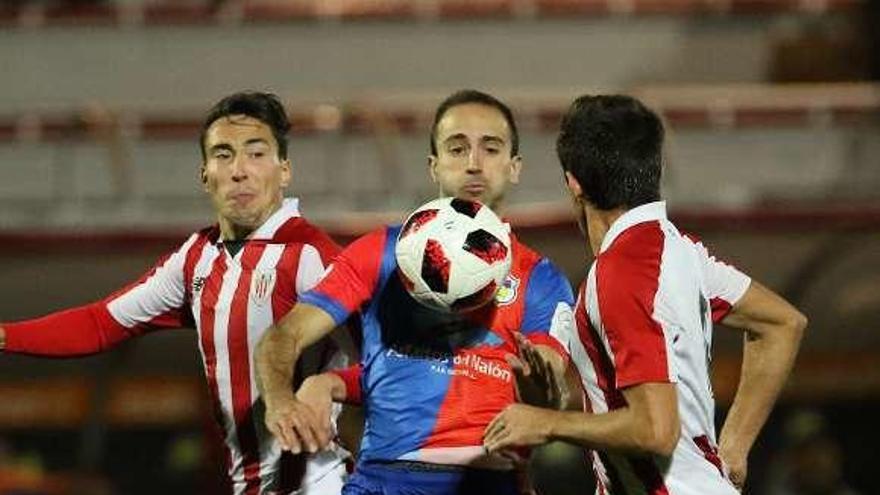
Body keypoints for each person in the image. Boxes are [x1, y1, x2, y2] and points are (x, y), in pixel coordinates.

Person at [0, 91, 355, 495]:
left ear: (284, 170)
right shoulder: (195, 259)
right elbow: (101, 323)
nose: (240, 170)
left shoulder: (311, 256)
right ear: (205, 174)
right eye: (224, 155)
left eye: (257, 154)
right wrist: (5, 334)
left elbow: (390, 358)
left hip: (318, 484)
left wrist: (330, 385)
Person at [256, 90, 576, 494]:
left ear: (514, 167)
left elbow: (550, 394)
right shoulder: (380, 252)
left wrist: (540, 387)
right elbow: (284, 335)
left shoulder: (542, 279)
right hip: (381, 481)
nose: (474, 164)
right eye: (457, 149)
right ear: (434, 166)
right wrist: (282, 400)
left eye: (490, 149)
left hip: (488, 480)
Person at [483, 94, 807, 494]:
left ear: (574, 183)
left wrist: (546, 423)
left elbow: (655, 430)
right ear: (654, 167)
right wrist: (734, 448)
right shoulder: (680, 249)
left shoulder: (619, 273)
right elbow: (781, 323)